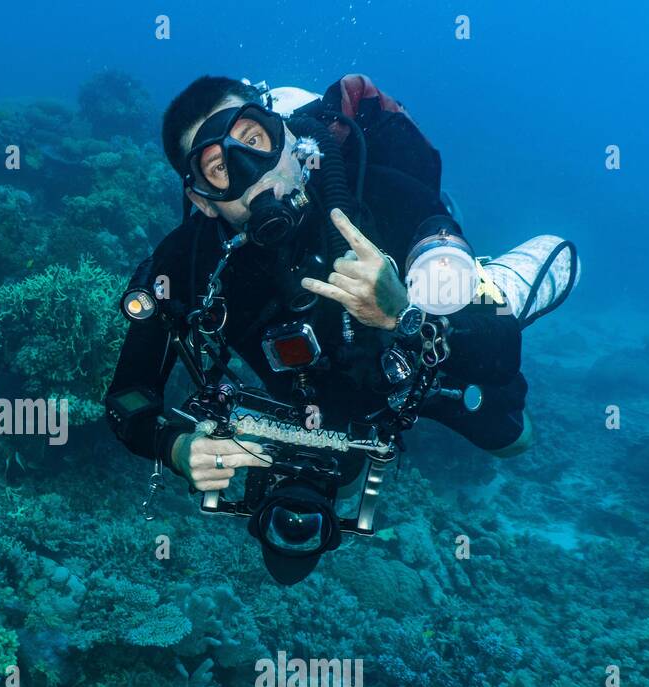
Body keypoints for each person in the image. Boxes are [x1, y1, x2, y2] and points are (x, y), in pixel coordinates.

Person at [106, 74, 544, 500]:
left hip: (432, 369)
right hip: (323, 412)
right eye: (220, 167)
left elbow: (501, 355)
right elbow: (126, 397)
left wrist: (403, 312)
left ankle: (483, 276)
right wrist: (175, 447)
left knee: (514, 440)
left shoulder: (378, 191)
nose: (254, 174)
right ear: (202, 198)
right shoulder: (188, 263)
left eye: (254, 141)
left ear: (287, 135)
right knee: (310, 519)